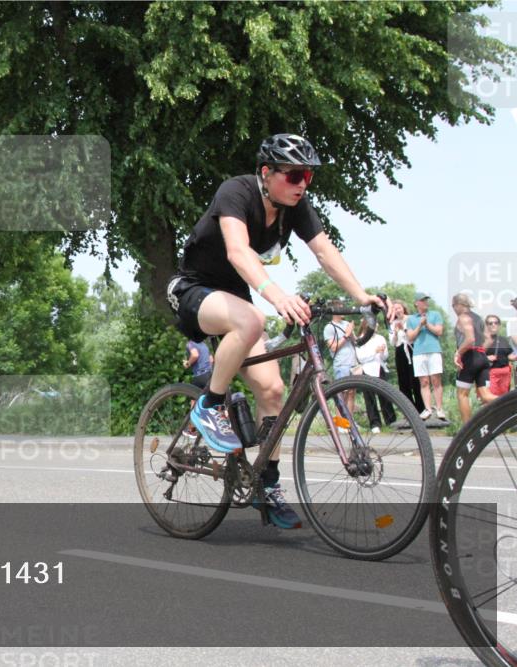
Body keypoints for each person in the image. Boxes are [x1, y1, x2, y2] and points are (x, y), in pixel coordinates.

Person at [166, 133, 387, 530]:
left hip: (233, 294)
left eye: (309, 177)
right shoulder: (235, 191)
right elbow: (237, 251)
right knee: (252, 318)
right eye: (295, 175)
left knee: (272, 391)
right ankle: (209, 406)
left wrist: (361, 295)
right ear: (267, 173)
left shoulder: (294, 206)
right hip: (192, 289)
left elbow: (325, 251)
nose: (303, 184)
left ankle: (266, 487)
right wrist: (275, 295)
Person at [452, 293, 496, 423]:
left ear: (460, 305)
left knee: (462, 394)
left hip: (469, 357)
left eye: (453, 306)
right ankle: (511, 401)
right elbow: (488, 339)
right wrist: (480, 352)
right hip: (482, 357)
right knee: (486, 396)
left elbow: (470, 339)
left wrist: (458, 353)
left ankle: (466, 429)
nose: (453, 309)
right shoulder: (478, 318)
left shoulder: (463, 317)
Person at [406, 292, 446, 421]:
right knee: (424, 382)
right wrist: (420, 325)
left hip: (433, 350)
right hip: (418, 352)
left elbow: (439, 331)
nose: (425, 303)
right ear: (417, 303)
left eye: (426, 300)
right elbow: (410, 337)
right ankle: (428, 408)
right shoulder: (411, 319)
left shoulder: (435, 315)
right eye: (423, 301)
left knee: (436, 380)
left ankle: (439, 408)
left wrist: (427, 324)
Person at [355, 319, 396, 433]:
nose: (377, 325)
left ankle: (391, 420)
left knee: (385, 396)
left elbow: (385, 356)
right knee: (370, 398)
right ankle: (374, 423)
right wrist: (374, 351)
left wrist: (382, 352)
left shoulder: (380, 338)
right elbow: (361, 358)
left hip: (380, 368)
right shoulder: (360, 339)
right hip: (367, 369)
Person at [388, 300, 424, 413]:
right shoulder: (392, 323)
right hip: (400, 351)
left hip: (411, 348)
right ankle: (409, 410)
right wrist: (395, 332)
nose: (397, 310)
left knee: (416, 379)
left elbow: (414, 336)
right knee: (403, 382)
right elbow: (393, 343)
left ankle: (421, 408)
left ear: (403, 308)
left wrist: (403, 328)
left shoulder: (411, 319)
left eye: (398, 308)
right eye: (394, 309)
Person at [323, 312, 357, 417]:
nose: (344, 311)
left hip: (353, 363)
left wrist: (351, 333)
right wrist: (346, 335)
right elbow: (333, 347)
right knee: (342, 394)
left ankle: (349, 422)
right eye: (341, 308)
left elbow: (355, 341)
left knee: (351, 393)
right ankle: (340, 422)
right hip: (342, 364)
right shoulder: (329, 327)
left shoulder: (346, 323)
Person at [486, 314, 515, 396]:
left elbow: (509, 356)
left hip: (505, 373)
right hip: (492, 373)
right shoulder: (483, 340)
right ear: (486, 325)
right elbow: (475, 356)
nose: (493, 325)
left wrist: (515, 357)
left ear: (499, 325)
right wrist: (486, 357)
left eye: (495, 322)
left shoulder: (503, 340)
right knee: (492, 398)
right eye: (490, 323)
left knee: (503, 399)